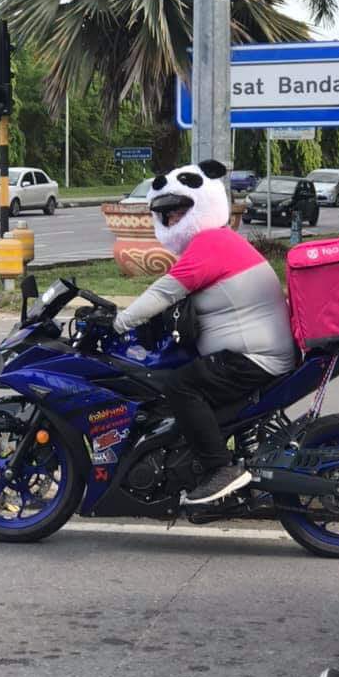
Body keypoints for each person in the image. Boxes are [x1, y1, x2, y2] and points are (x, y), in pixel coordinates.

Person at [113, 160, 295, 505]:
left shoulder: (210, 244)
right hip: (259, 351)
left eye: (178, 212)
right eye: (165, 215)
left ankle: (219, 468)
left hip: (253, 357)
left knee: (180, 385)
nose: (171, 221)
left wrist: (119, 322)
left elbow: (163, 292)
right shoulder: (218, 242)